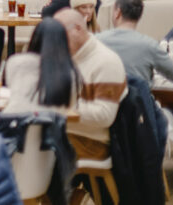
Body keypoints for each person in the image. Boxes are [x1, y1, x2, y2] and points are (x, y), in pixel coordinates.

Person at [54, 8, 126, 160]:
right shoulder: (69, 57)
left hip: (92, 143)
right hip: (65, 134)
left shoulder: (106, 61)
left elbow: (104, 115)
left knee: (25, 149)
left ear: (78, 29)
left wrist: (58, 108)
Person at [97, 0, 173, 85]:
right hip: (139, 98)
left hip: (104, 98)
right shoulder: (150, 45)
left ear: (118, 12)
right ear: (139, 15)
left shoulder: (96, 41)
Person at [3, 17, 79, 114]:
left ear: (34, 38)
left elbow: (13, 92)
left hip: (13, 123)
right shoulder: (71, 73)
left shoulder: (16, 62)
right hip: (49, 127)